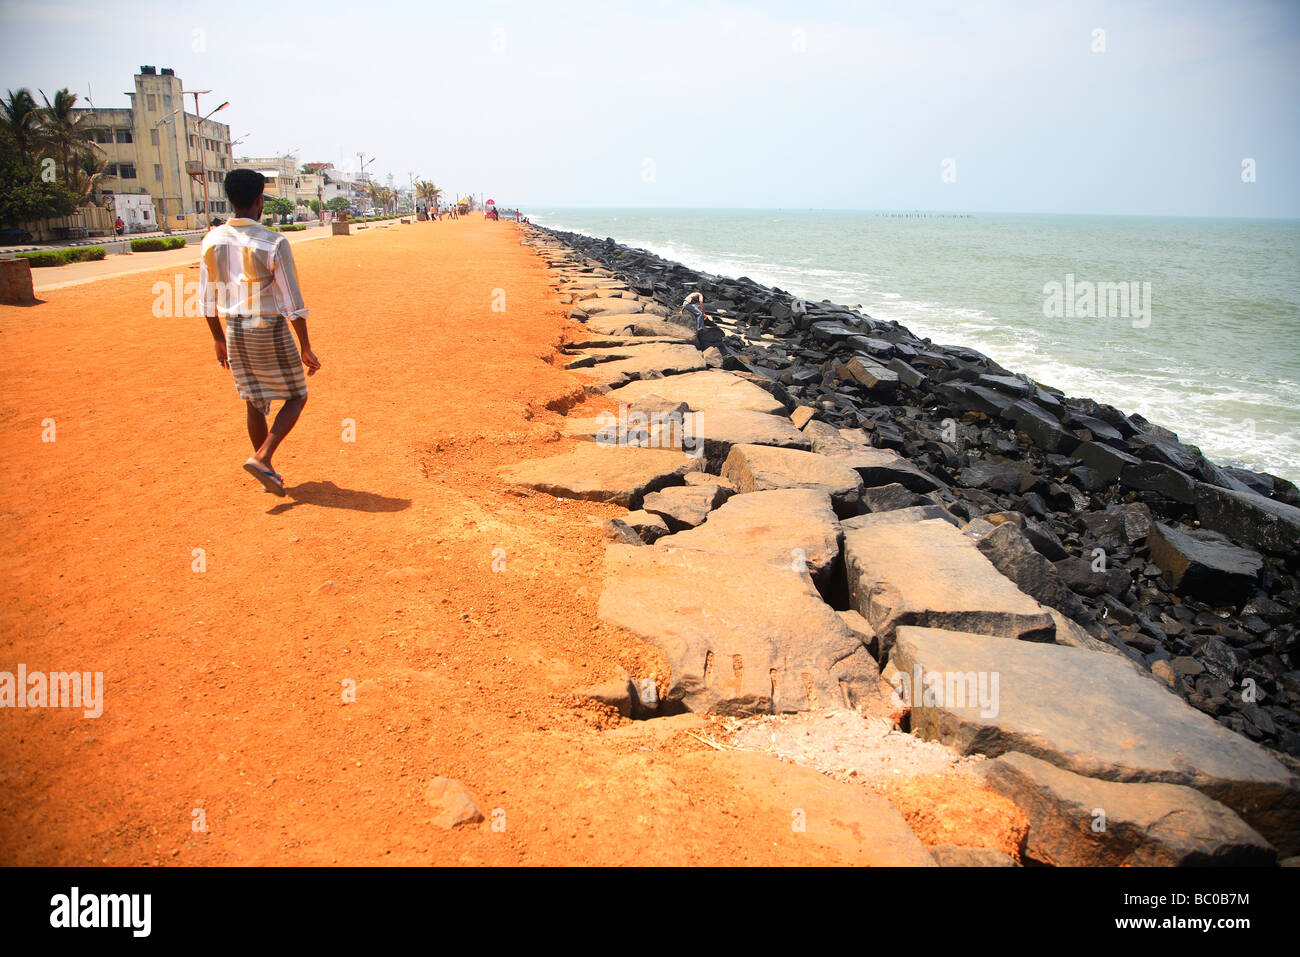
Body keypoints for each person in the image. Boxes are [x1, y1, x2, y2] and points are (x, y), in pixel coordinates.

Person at [199, 168, 321, 497]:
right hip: (267, 324)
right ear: (259, 200)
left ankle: (266, 470)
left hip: (235, 327)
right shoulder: (273, 242)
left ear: (229, 199)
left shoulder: (211, 240)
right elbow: (292, 301)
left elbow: (206, 299)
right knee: (297, 394)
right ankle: (263, 457)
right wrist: (305, 345)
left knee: (254, 401)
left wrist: (217, 337)